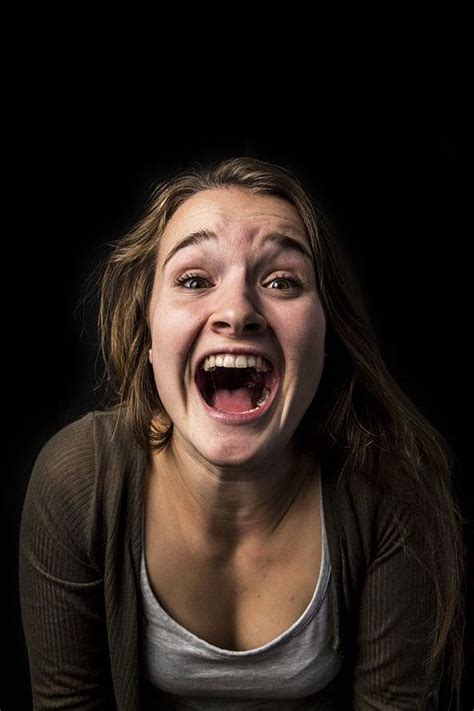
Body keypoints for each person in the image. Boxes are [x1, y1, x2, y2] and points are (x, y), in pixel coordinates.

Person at [19, 157, 465, 710]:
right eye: (194, 279)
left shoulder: (392, 492)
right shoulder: (75, 483)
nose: (236, 310)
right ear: (148, 336)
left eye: (282, 280)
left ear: (326, 341)